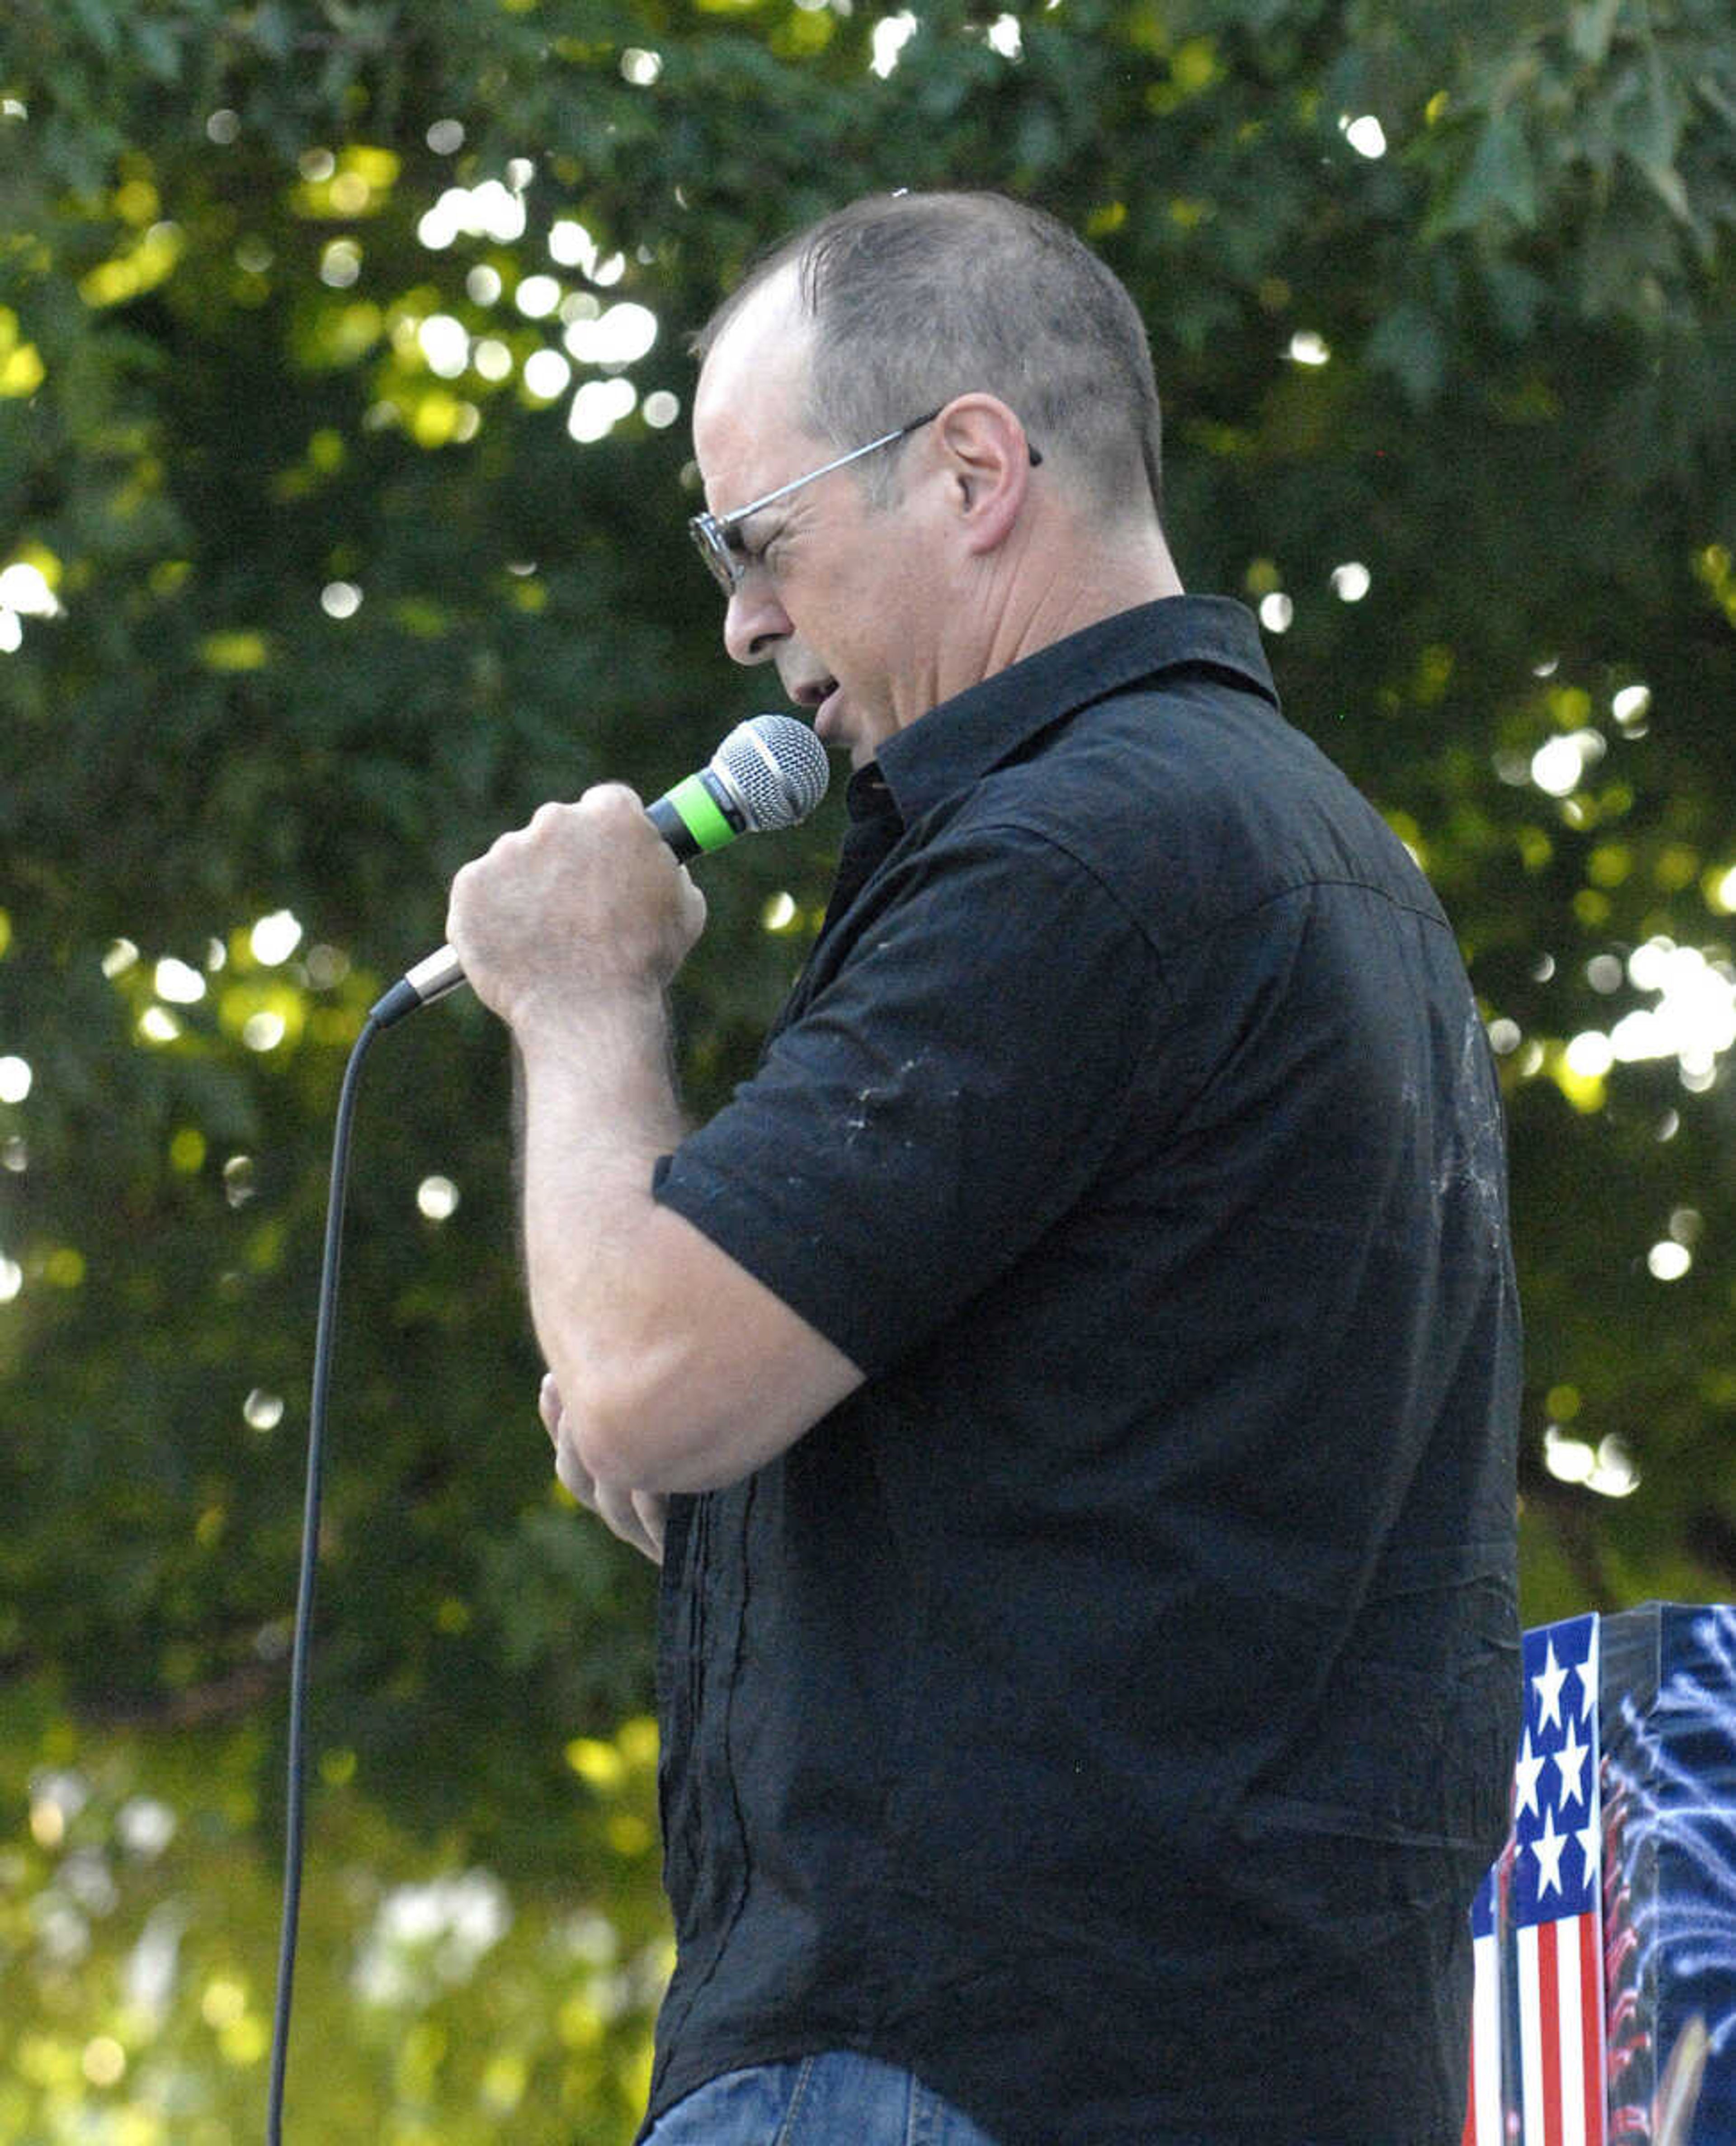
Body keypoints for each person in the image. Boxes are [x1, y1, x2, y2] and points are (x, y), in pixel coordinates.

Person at [444, 190, 1522, 2146]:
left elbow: (643, 1374)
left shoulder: (1080, 854)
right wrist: (754, 1508)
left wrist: (585, 992)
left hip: (960, 2061)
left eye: (758, 540)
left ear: (969, 470)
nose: (741, 620)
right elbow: (1158, 1519)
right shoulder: (1323, 861)